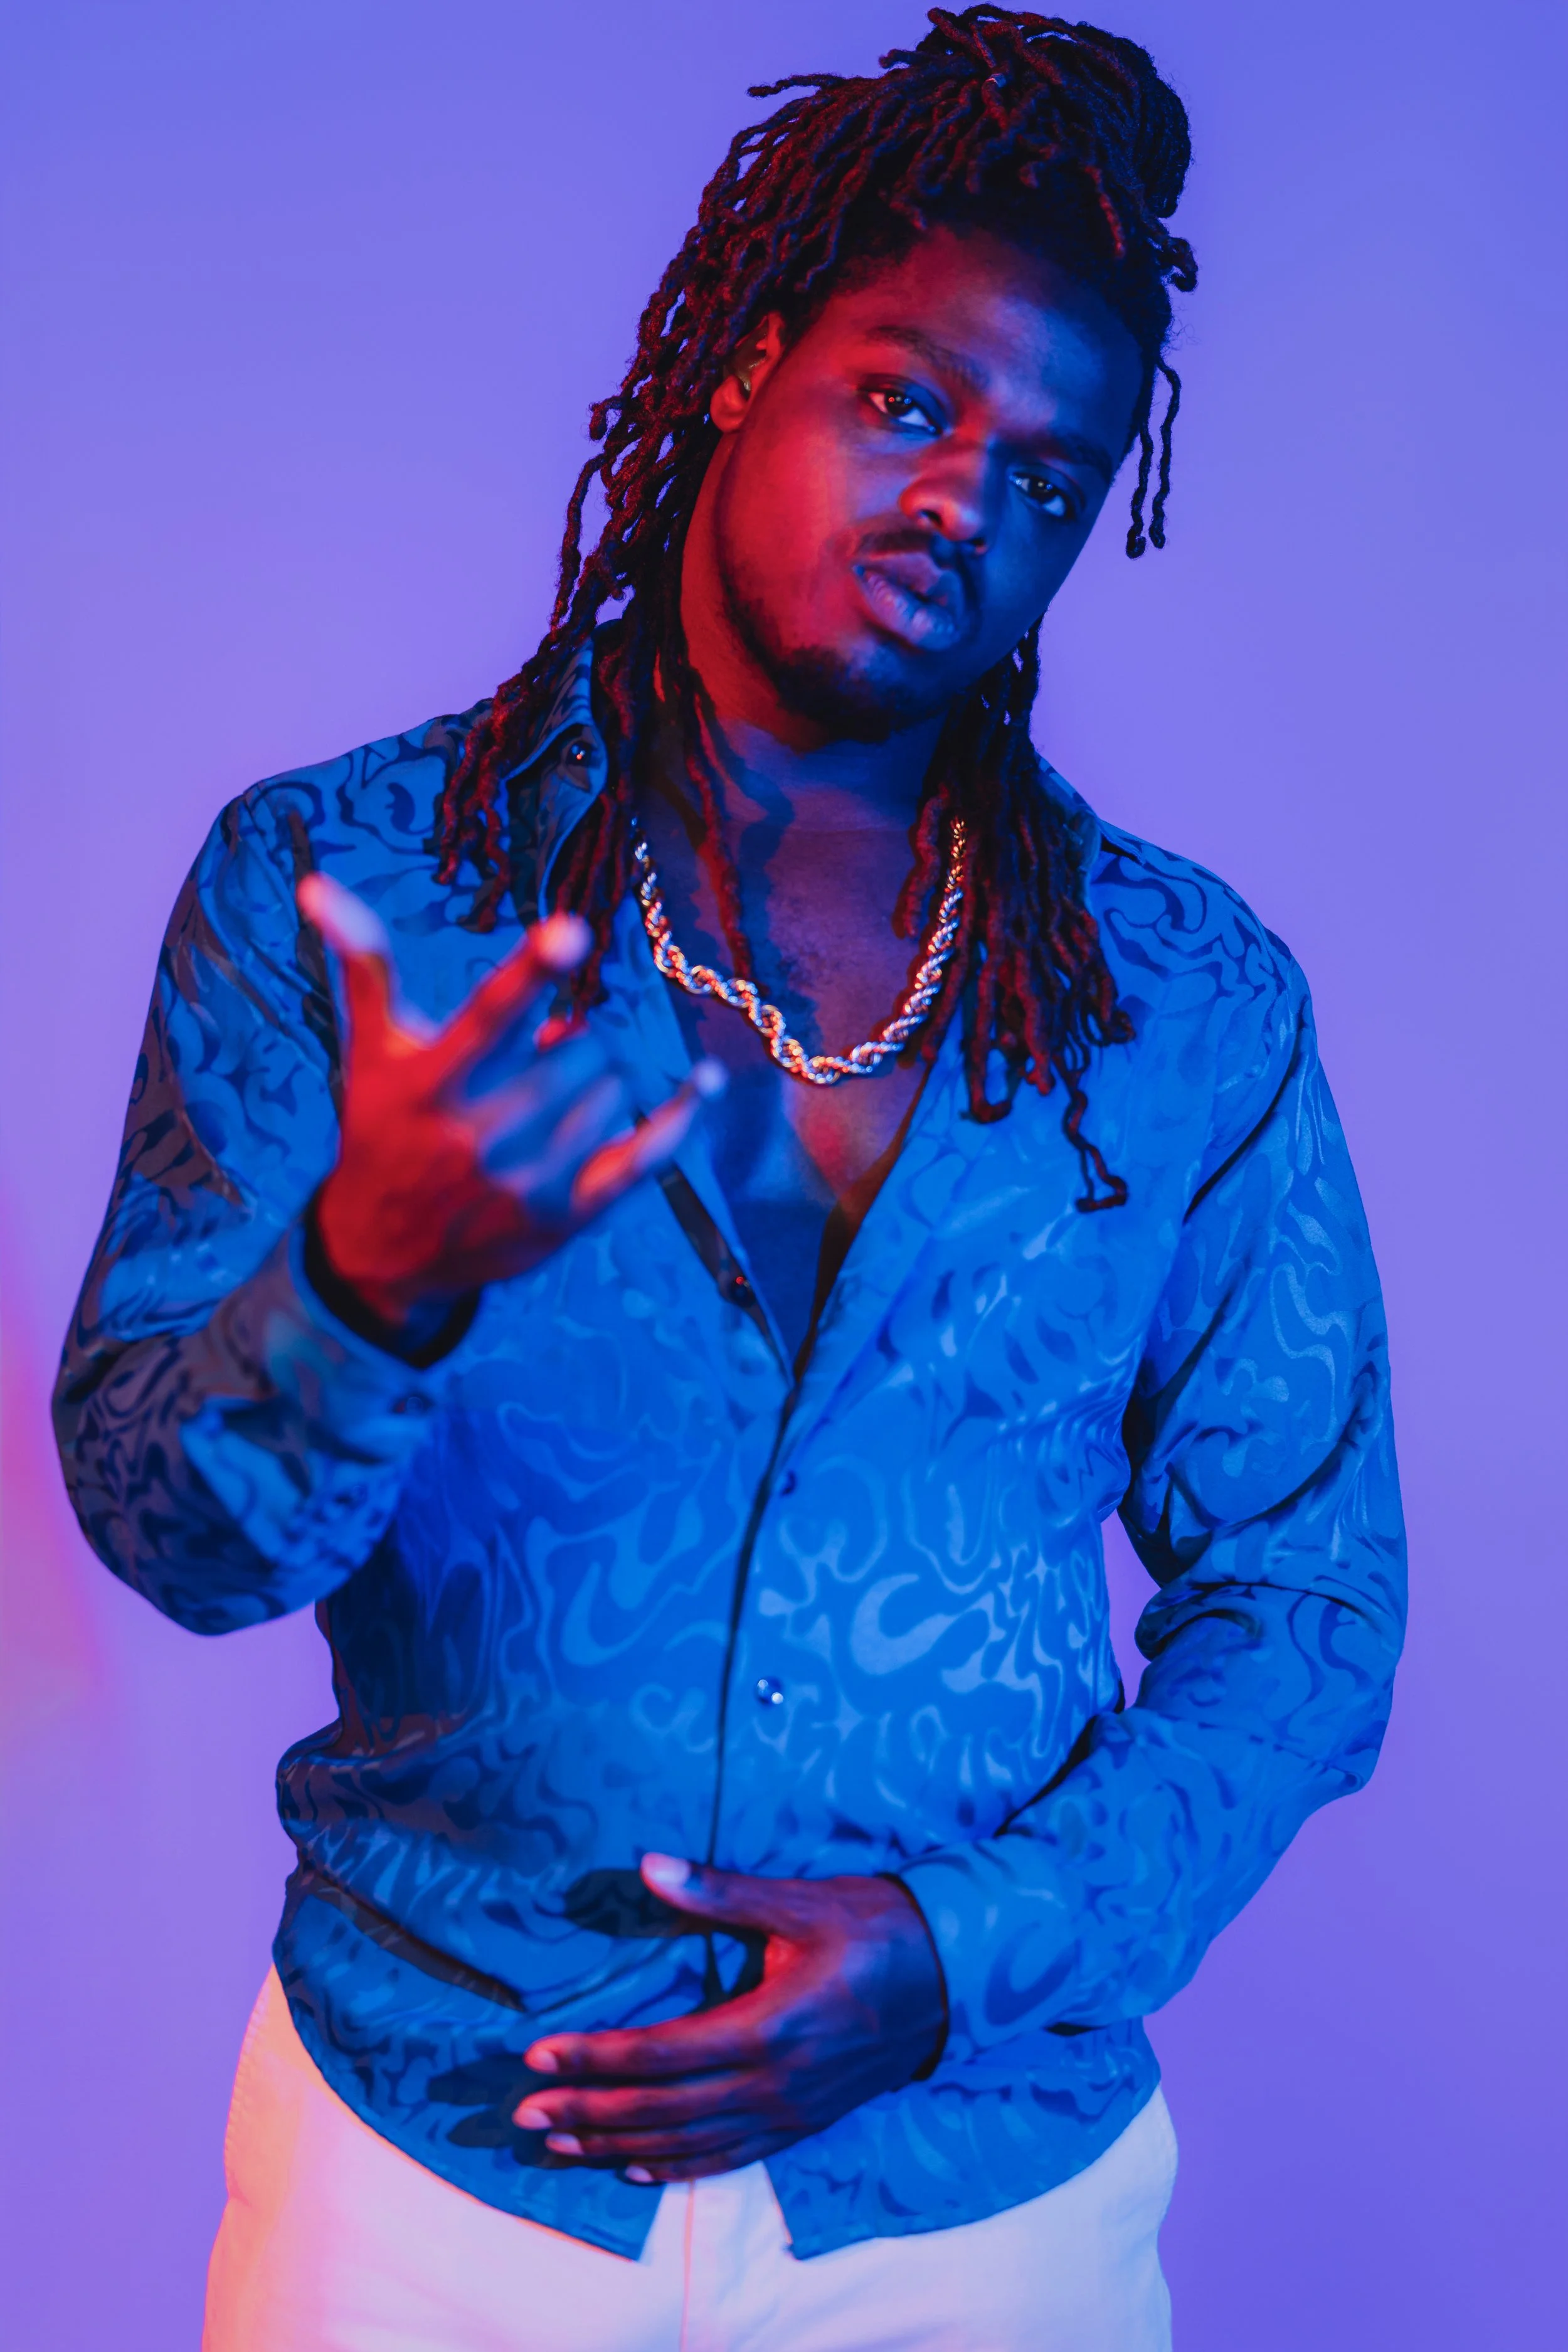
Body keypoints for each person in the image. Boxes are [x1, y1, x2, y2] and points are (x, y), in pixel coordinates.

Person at [53, 10, 1406, 2348]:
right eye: (906, 401)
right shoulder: (350, 888)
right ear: (743, 367)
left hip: (978, 2205)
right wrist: (367, 1276)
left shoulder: (1190, 1003)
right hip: (435, 2174)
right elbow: (167, 1534)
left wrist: (961, 1956)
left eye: (1046, 475)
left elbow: (1307, 1605)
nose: (963, 503)